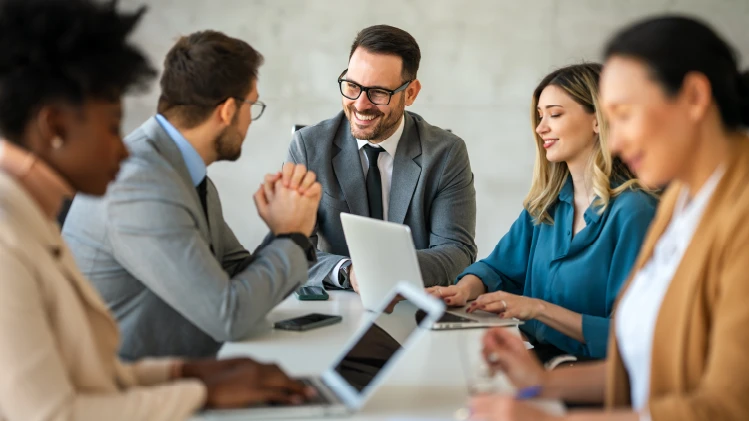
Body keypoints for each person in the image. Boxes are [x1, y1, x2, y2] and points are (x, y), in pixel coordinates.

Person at [0, 0, 314, 419]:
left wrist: (196, 375)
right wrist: (290, 236)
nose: (122, 148)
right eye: (113, 125)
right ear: (54, 127)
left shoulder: (28, 214)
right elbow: (53, 414)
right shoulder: (133, 182)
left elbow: (88, 372)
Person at [470, 15, 749, 421]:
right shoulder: (683, 204)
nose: (614, 140)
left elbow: (723, 408)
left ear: (693, 96)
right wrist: (544, 383)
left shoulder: (735, 222)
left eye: (625, 114)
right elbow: (648, 366)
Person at [62, 29, 322, 360]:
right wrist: (292, 236)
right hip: (128, 390)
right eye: (252, 107)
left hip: (185, 368)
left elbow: (234, 276)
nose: (249, 122)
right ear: (228, 111)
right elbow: (230, 316)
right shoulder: (139, 185)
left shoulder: (184, 172)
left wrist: (285, 228)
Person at [430, 63, 657, 362]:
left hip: (596, 379)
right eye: (540, 116)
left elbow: (632, 337)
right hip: (537, 359)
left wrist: (538, 308)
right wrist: (463, 290)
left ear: (599, 120)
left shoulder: (635, 212)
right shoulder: (545, 205)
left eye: (555, 114)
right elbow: (498, 269)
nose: (541, 128)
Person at [287, 24, 477, 290]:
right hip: (339, 304)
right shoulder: (308, 147)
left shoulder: (446, 153)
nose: (360, 104)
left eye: (378, 92)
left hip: (413, 306)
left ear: (410, 93)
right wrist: (349, 272)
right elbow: (291, 250)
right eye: (352, 86)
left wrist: (382, 271)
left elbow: (458, 252)